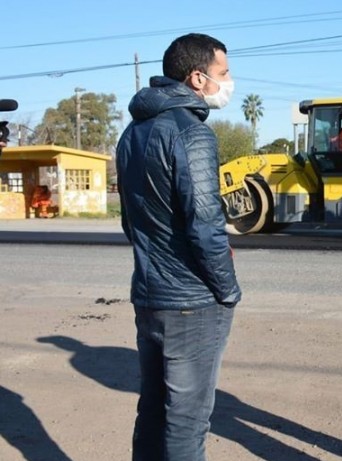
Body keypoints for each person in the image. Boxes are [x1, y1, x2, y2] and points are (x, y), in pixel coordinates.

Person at [115, 33, 241, 461]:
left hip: (149, 295)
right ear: (198, 78)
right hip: (192, 302)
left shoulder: (132, 132)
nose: (229, 81)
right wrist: (228, 290)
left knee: (152, 411)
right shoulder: (192, 134)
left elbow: (130, 222)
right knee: (187, 423)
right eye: (224, 73)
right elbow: (206, 226)